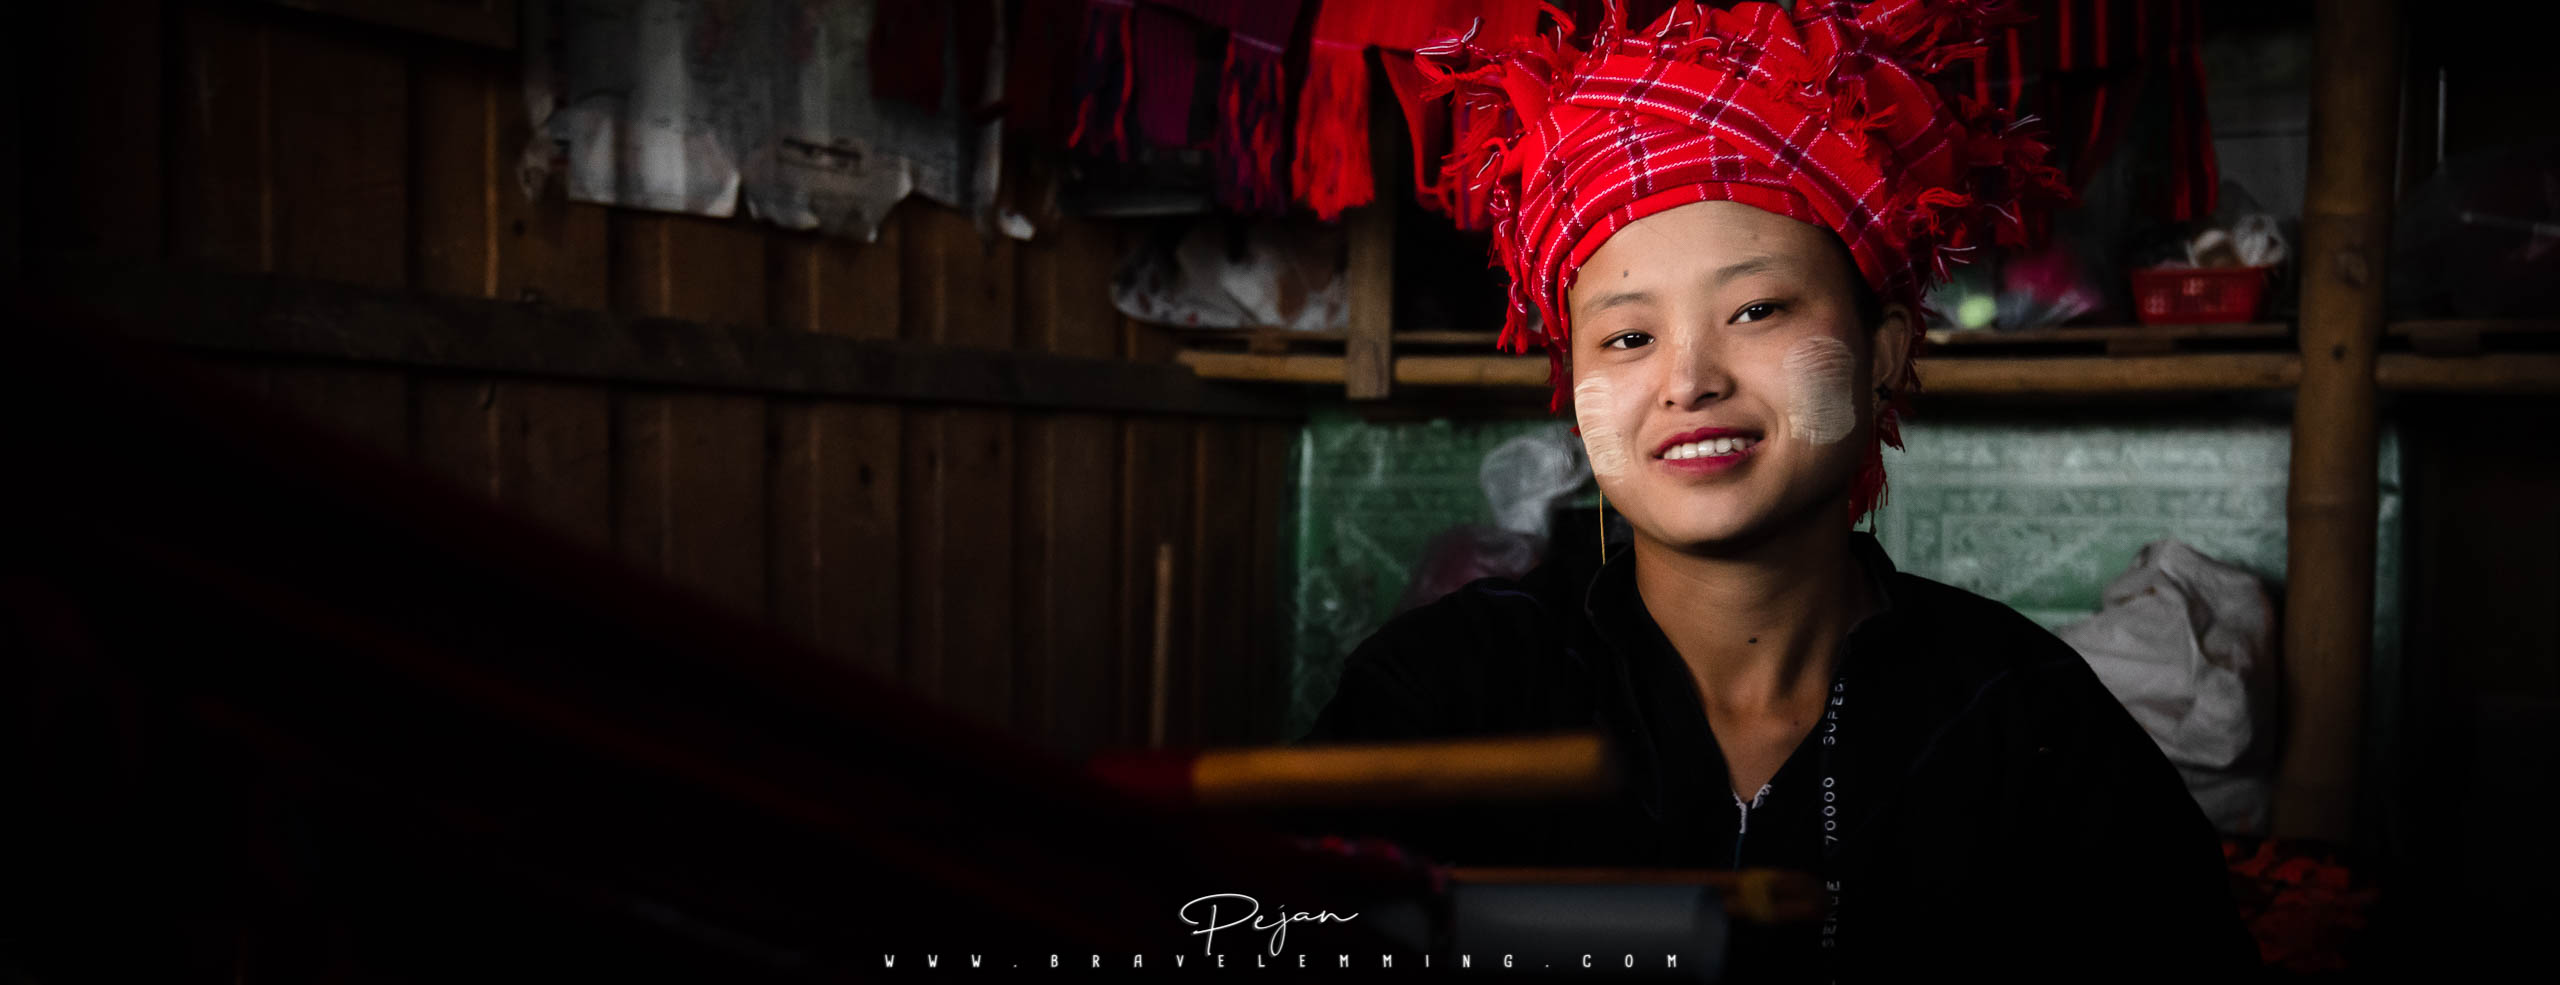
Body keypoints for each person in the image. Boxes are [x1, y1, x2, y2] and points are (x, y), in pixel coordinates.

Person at [1297, 1, 2258, 979]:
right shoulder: (1438, 696)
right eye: (1627, 337)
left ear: (1881, 352)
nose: (1687, 380)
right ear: (1572, 386)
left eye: (1755, 309)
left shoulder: (2024, 719)